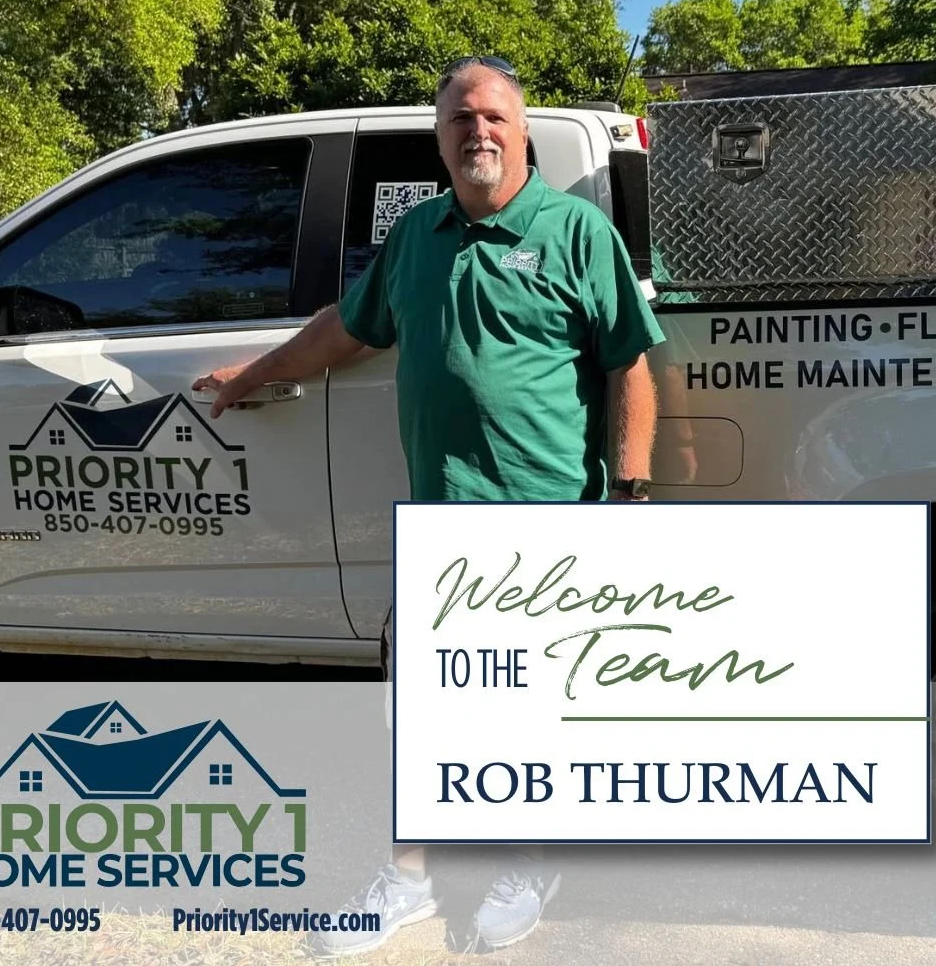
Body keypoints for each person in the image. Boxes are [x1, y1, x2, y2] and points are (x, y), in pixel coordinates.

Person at [193, 56, 665, 955]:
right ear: (439, 139)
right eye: (459, 119)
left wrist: (632, 495)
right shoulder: (417, 235)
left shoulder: (576, 233)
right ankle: (409, 875)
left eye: (493, 116)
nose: (477, 131)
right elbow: (347, 328)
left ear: (522, 133)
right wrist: (254, 373)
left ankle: (530, 861)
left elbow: (629, 368)